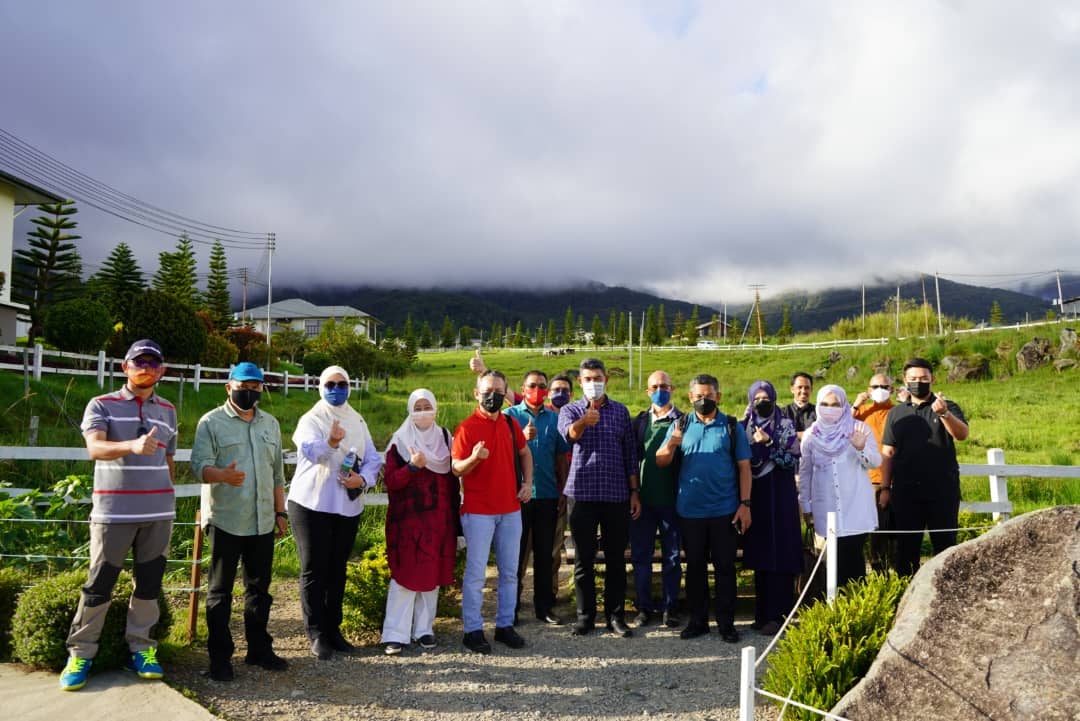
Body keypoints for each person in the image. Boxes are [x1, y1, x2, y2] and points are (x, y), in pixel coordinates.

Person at [59, 340, 177, 691]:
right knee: (99, 584)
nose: (146, 368)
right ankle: (81, 653)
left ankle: (141, 648)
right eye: (139, 362)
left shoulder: (168, 410)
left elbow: (168, 460)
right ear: (125, 367)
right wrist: (131, 446)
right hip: (113, 513)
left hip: (158, 513)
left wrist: (167, 493)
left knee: (149, 584)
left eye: (153, 363)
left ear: (162, 370)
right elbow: (95, 448)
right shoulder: (101, 404)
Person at [192, 362, 288, 682]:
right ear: (229, 387)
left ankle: (259, 650)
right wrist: (222, 475)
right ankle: (220, 658)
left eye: (255, 386)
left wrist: (280, 512)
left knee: (259, 589)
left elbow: (277, 475)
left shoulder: (270, 424)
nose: (249, 391)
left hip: (262, 520)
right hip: (225, 520)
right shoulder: (211, 422)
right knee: (220, 591)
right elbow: (199, 467)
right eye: (243, 386)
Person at [287, 366, 380, 660]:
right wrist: (331, 443)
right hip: (311, 504)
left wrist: (362, 480)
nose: (336, 389)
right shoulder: (312, 419)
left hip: (346, 506)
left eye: (342, 384)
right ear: (321, 387)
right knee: (314, 568)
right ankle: (316, 632)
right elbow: (311, 451)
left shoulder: (357, 419)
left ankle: (333, 629)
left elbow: (373, 458)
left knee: (337, 568)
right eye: (330, 384)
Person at [655, 373, 751, 643]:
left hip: (725, 510)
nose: (703, 400)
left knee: (725, 568)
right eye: (698, 396)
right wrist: (672, 442)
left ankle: (726, 624)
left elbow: (744, 468)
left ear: (718, 397)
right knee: (695, 569)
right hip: (690, 511)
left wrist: (745, 504)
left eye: (708, 396)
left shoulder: (731, 426)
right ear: (690, 398)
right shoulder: (680, 424)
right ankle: (698, 621)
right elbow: (660, 460)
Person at [557, 357, 640, 638]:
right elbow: (568, 436)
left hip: (616, 494)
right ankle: (585, 617)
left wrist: (634, 492)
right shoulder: (570, 410)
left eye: (598, 378)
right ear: (580, 382)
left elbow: (630, 454)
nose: (593, 383)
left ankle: (615, 617)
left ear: (606, 380)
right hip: (582, 494)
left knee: (616, 559)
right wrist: (584, 421)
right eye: (588, 379)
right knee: (584, 559)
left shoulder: (620, 411)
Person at [452, 370, 532, 653]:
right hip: (478, 512)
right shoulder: (466, 428)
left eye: (499, 391)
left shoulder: (510, 423)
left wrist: (528, 483)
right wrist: (474, 458)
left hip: (510, 509)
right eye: (487, 391)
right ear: (477, 394)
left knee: (510, 573)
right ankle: (472, 630)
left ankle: (504, 626)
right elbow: (456, 468)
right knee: (476, 574)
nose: (493, 396)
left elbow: (525, 453)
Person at [381, 389, 459, 655]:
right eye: (418, 407)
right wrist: (412, 467)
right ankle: (395, 634)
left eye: (428, 406)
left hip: (439, 522)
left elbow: (453, 482)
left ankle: (424, 630)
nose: (424, 411)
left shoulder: (445, 438)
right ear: (409, 410)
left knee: (431, 578)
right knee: (404, 578)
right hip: (408, 523)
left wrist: (456, 522)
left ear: (435, 408)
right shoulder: (400, 442)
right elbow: (391, 481)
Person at [879, 358, 969, 576]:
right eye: (913, 379)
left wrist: (944, 414)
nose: (918, 382)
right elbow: (888, 453)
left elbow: (962, 434)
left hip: (942, 490)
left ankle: (946, 590)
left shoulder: (947, 406)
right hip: (906, 491)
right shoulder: (896, 413)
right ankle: (907, 590)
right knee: (906, 550)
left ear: (932, 379)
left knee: (945, 546)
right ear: (905, 380)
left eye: (923, 378)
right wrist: (885, 488)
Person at [798, 385, 880, 588]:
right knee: (832, 561)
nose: (830, 408)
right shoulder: (811, 435)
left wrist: (861, 448)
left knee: (853, 557)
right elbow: (806, 473)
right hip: (827, 507)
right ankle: (834, 604)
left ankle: (857, 602)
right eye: (825, 404)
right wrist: (806, 506)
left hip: (855, 507)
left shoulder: (858, 429)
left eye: (836, 404)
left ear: (844, 405)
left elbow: (875, 462)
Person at [505, 370, 570, 626]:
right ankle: (510, 608)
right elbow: (501, 452)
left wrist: (562, 489)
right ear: (523, 388)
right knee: (516, 555)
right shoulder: (509, 416)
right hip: (516, 496)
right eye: (532, 385)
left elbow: (560, 457)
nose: (537, 390)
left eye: (542, 386)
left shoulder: (554, 419)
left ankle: (544, 608)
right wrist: (521, 438)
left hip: (547, 494)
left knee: (545, 555)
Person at [742, 380, 803, 636]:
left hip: (780, 494)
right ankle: (762, 613)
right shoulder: (744, 426)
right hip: (755, 495)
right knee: (761, 552)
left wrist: (769, 443)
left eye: (766, 398)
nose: (761, 403)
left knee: (780, 551)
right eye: (756, 399)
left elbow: (792, 460)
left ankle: (779, 616)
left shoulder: (784, 424)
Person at [629, 370, 685, 628]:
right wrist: (634, 493)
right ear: (647, 391)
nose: (660, 390)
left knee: (672, 558)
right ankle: (644, 607)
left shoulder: (684, 421)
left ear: (672, 389)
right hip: (643, 501)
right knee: (641, 556)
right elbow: (632, 460)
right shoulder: (639, 423)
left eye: (664, 385)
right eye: (655, 386)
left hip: (673, 501)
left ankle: (670, 607)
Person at [852, 372, 896, 571]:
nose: (880, 390)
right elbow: (839, 426)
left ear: (891, 390)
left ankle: (899, 570)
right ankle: (877, 569)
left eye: (884, 387)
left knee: (896, 529)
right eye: (875, 387)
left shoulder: (897, 411)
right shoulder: (861, 412)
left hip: (897, 478)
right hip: (870, 479)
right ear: (869, 390)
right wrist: (856, 404)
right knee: (874, 529)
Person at [547, 372, 575, 602]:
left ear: (572, 394)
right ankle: (546, 593)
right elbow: (512, 396)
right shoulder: (543, 416)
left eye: (565, 390)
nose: (560, 394)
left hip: (576, 488)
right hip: (550, 487)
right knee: (548, 547)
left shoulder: (578, 414)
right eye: (556, 390)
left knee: (561, 545)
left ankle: (554, 592)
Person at [782, 372, 816, 439]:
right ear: (792, 389)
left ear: (811, 390)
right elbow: (779, 436)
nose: (803, 391)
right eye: (800, 387)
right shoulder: (782, 413)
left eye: (807, 388)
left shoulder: (818, 413)